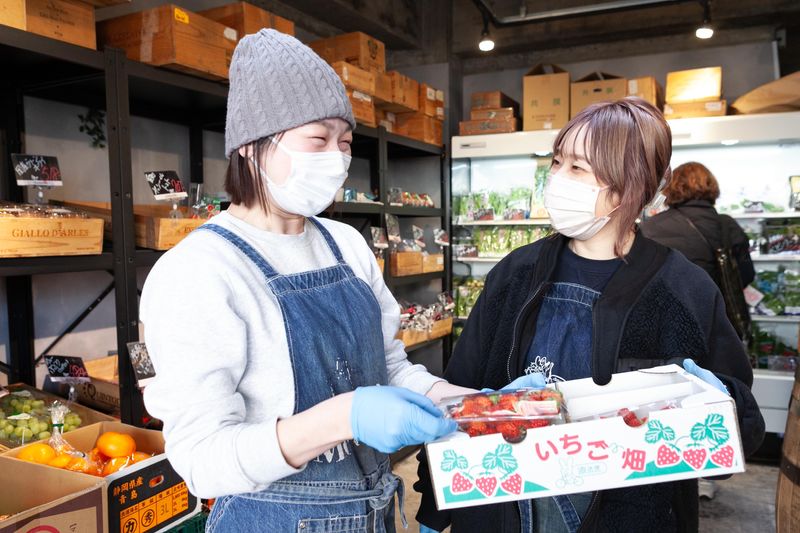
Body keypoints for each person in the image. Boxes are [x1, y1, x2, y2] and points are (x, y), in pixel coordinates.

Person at [140, 30, 538, 533]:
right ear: (251, 147)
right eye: (318, 139)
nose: (337, 157)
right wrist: (344, 417)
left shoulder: (345, 244)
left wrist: (476, 405)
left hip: (374, 512)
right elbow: (202, 458)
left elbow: (389, 367)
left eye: (345, 142)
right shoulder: (200, 270)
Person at [414, 98, 765, 533]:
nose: (557, 178)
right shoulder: (516, 273)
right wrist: (435, 503)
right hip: (504, 511)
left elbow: (739, 429)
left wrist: (719, 400)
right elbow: (463, 390)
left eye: (577, 167)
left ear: (631, 183)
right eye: (557, 162)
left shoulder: (683, 290)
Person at [640, 161, 755, 334]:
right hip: (721, 322)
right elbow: (746, 275)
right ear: (712, 187)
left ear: (671, 188)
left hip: (668, 325)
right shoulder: (727, 225)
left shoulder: (651, 227)